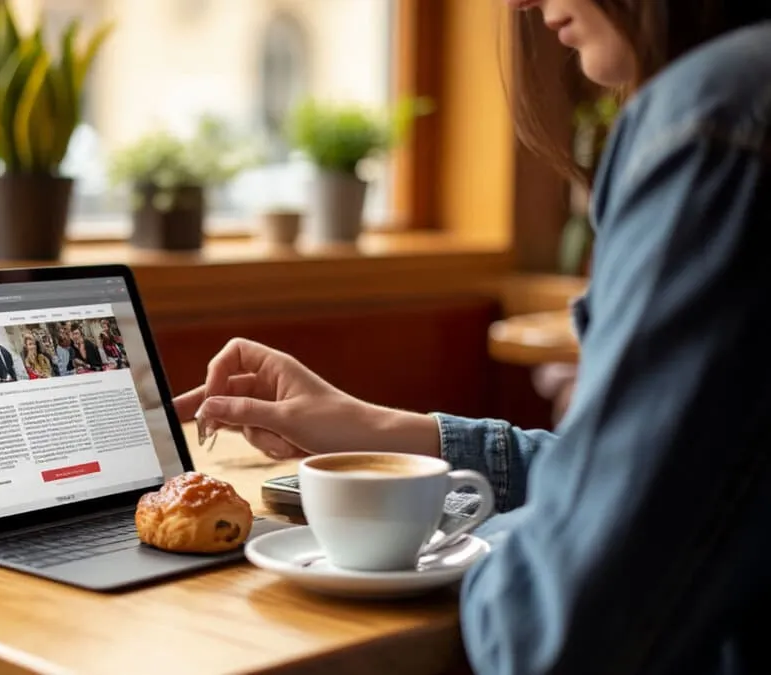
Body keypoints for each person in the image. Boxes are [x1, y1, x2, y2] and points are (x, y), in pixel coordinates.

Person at [176, 1, 771, 673]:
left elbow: (548, 632)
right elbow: (666, 494)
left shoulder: (712, 122)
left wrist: (444, 546)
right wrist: (384, 434)